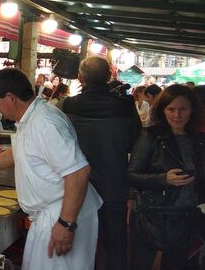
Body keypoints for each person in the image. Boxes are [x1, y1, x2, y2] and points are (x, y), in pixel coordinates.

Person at [0, 68, 102, 270]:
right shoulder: (30, 118)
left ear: (10, 98)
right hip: (52, 213)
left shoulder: (45, 123)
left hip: (63, 212)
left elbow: (78, 172)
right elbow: (18, 151)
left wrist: (66, 224)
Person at [60, 57, 141, 270]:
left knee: (77, 240)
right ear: (109, 77)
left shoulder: (68, 105)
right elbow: (136, 144)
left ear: (80, 77)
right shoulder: (125, 106)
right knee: (115, 242)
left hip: (76, 186)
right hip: (114, 185)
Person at [127, 84, 203, 270]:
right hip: (152, 213)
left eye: (182, 109)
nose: (177, 115)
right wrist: (163, 179)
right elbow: (131, 175)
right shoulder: (150, 136)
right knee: (141, 263)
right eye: (171, 109)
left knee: (175, 264)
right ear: (162, 110)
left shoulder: (198, 139)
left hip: (185, 214)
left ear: (192, 110)